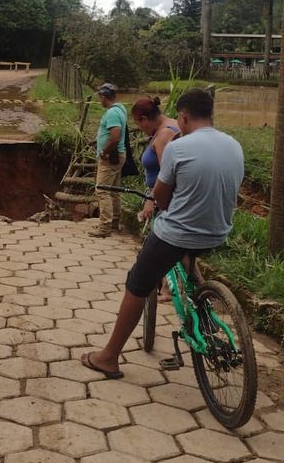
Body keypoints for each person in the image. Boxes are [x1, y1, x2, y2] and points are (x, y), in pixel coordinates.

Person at [81, 88, 244, 379]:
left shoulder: (178, 148)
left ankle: (108, 357)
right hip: (218, 232)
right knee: (188, 264)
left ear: (182, 116)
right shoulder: (234, 145)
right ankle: (206, 315)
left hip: (179, 234)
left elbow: (163, 200)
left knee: (137, 283)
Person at [131, 95, 180, 301]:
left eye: (138, 124)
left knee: (167, 245)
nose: (140, 128)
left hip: (166, 200)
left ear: (144, 119)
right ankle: (173, 286)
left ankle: (175, 288)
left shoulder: (163, 136)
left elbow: (165, 175)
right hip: (166, 197)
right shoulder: (173, 125)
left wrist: (152, 200)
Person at [91, 83, 128, 237]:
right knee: (114, 191)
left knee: (102, 190)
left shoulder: (112, 113)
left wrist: (103, 151)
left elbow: (115, 137)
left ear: (104, 97)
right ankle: (114, 222)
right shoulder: (121, 109)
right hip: (118, 155)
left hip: (110, 157)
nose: (100, 101)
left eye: (100, 97)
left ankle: (105, 227)